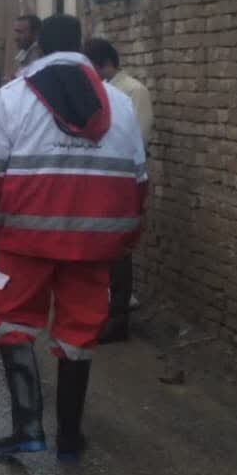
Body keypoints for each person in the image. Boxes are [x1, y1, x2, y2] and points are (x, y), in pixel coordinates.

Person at [0, 15, 146, 461]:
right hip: (93, 243)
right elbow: (138, 179)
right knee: (79, 329)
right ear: (82, 47)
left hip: (25, 238)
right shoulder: (119, 103)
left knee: (11, 318)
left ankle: (28, 429)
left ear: (40, 48)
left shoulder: (12, 97)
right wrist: (128, 235)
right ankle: (69, 437)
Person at [84, 37, 154, 344]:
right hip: (98, 180)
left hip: (121, 182)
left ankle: (118, 318)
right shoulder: (98, 90)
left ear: (103, 64)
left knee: (118, 251)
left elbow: (138, 139)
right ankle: (103, 310)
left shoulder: (133, 91)